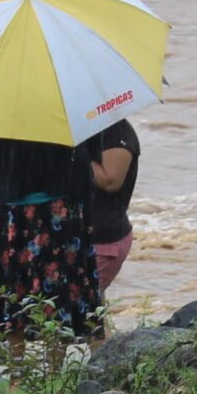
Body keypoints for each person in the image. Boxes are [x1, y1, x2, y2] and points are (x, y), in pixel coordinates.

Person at [0, 134, 103, 365]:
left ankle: (16, 372)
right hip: (63, 200)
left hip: (15, 199)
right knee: (60, 288)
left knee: (13, 286)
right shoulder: (71, 99)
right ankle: (53, 370)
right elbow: (92, 146)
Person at [80, 119, 141, 292]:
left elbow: (110, 180)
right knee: (90, 304)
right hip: (83, 234)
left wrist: (72, 154)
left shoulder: (116, 131)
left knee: (83, 300)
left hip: (105, 239)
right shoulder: (84, 128)